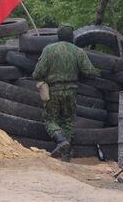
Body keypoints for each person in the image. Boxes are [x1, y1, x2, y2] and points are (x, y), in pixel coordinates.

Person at [32, 24, 99, 161]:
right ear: (72, 36)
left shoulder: (49, 50)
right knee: (67, 121)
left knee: (50, 119)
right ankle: (65, 155)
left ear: (58, 36)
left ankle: (61, 140)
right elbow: (90, 72)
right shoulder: (78, 51)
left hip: (53, 91)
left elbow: (38, 73)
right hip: (71, 90)